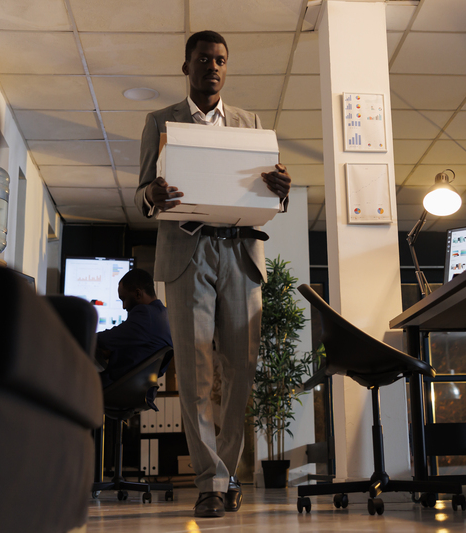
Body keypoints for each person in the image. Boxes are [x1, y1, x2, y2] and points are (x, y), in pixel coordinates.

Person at [135, 30, 292, 518]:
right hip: (188, 253)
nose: (214, 66)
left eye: (221, 59)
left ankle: (224, 473)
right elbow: (143, 192)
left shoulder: (251, 123)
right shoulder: (160, 121)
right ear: (187, 67)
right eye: (204, 58)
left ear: (227, 67)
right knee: (196, 372)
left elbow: (267, 196)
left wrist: (281, 191)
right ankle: (209, 484)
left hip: (240, 255)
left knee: (241, 371)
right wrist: (152, 196)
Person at [96, 268, 173, 390]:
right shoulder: (165, 315)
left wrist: (83, 335)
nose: (124, 306)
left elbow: (105, 339)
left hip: (117, 387)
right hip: (139, 388)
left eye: (124, 299)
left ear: (138, 293)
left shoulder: (146, 314)